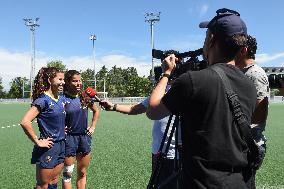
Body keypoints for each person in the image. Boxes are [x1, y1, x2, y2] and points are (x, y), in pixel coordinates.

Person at [146, 8, 257, 189]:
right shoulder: (249, 85)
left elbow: (153, 110)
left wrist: (166, 73)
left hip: (202, 182)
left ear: (211, 40)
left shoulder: (193, 80)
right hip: (239, 181)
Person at [101, 81, 181, 189]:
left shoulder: (185, 88)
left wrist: (166, 74)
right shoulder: (160, 91)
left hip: (179, 155)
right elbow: (136, 108)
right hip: (158, 152)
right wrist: (113, 107)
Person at [20, 67, 66, 189]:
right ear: (50, 80)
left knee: (54, 180)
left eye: (64, 79)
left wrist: (62, 129)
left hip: (61, 144)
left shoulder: (60, 99)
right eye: (60, 79)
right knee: (43, 185)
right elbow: (25, 122)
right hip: (49, 147)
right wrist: (37, 141)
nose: (63, 82)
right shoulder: (43, 100)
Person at [62, 70, 100, 189]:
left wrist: (93, 126)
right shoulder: (61, 98)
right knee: (67, 175)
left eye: (80, 80)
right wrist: (59, 128)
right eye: (75, 81)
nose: (79, 83)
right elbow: (51, 115)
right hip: (68, 139)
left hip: (84, 138)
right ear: (67, 82)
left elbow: (96, 111)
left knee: (82, 172)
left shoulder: (84, 96)